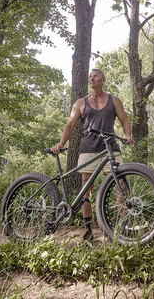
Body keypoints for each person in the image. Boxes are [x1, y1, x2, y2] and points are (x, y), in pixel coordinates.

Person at [51, 69, 134, 241]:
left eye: (95, 75)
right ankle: (88, 229)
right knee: (86, 190)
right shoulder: (80, 103)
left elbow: (125, 120)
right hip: (88, 149)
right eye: (90, 76)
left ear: (103, 80)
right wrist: (61, 144)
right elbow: (69, 125)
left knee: (121, 185)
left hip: (110, 148)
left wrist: (127, 135)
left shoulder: (114, 100)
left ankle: (123, 226)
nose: (91, 78)